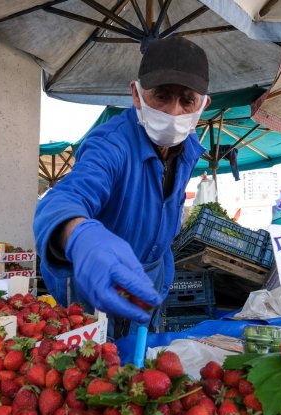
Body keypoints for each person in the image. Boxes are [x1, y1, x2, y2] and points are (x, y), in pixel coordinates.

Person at [33, 36, 210, 338]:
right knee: (97, 364)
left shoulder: (189, 148)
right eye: (162, 96)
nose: (174, 112)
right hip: (94, 281)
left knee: (137, 366)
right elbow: (64, 198)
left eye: (187, 101)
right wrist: (80, 236)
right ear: (137, 95)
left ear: (203, 105)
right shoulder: (110, 144)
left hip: (150, 279)